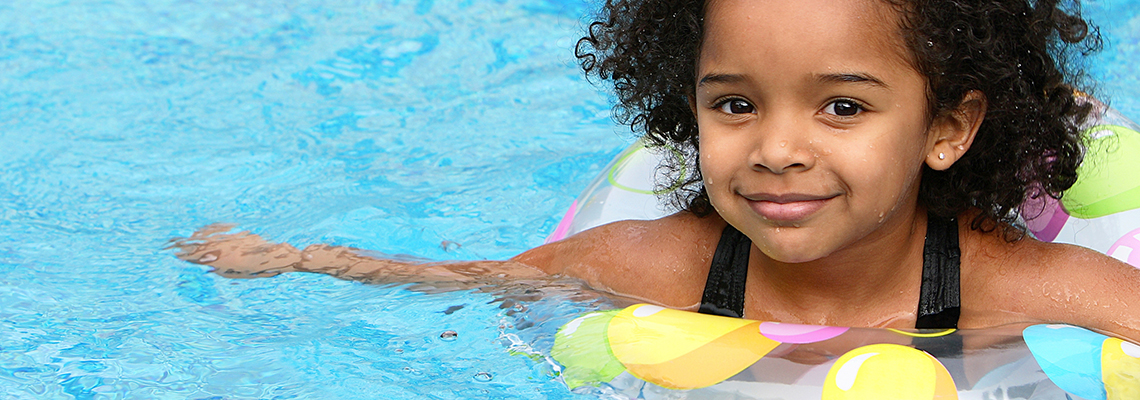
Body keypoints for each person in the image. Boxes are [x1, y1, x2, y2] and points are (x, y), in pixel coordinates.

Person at [170, 0, 1140, 343]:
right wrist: (294, 258)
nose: (776, 148)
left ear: (945, 129)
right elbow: (474, 279)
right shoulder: (658, 264)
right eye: (735, 103)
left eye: (843, 106)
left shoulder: (1012, 283)